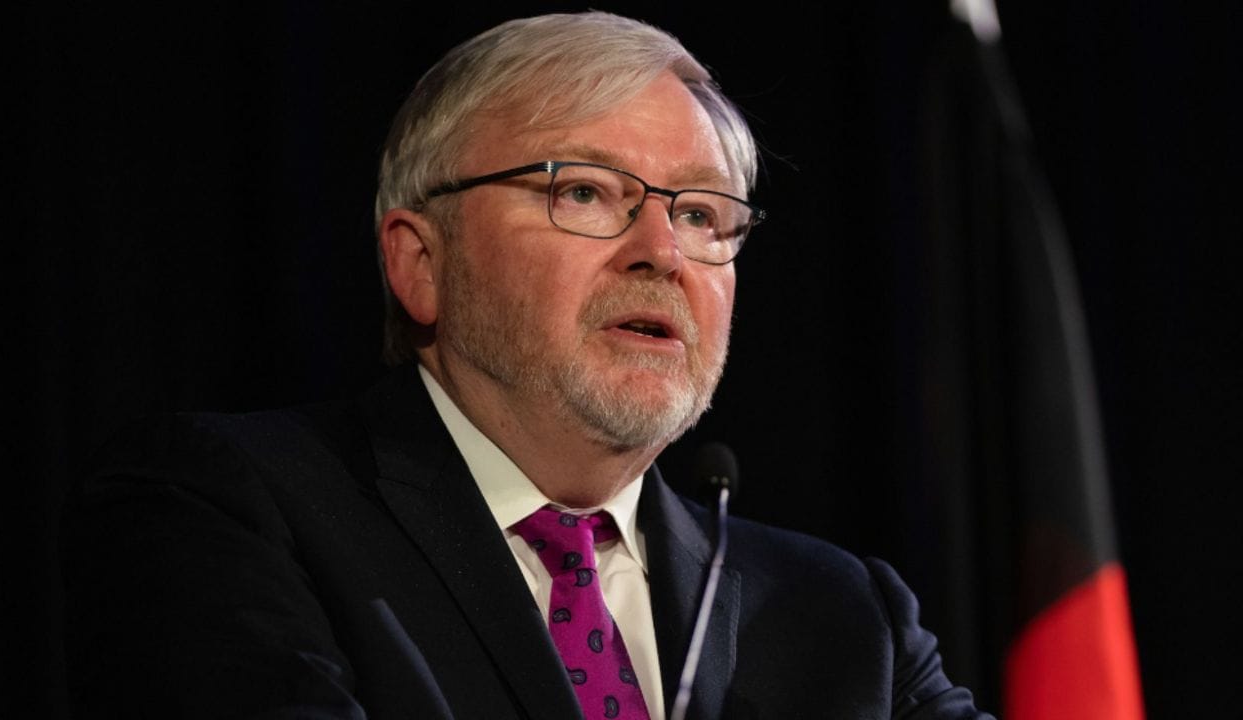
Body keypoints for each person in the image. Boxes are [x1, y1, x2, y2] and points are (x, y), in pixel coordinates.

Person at [63, 12, 992, 720]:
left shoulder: (841, 614)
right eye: (584, 192)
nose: (662, 253)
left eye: (702, 215)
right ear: (421, 263)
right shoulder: (224, 509)